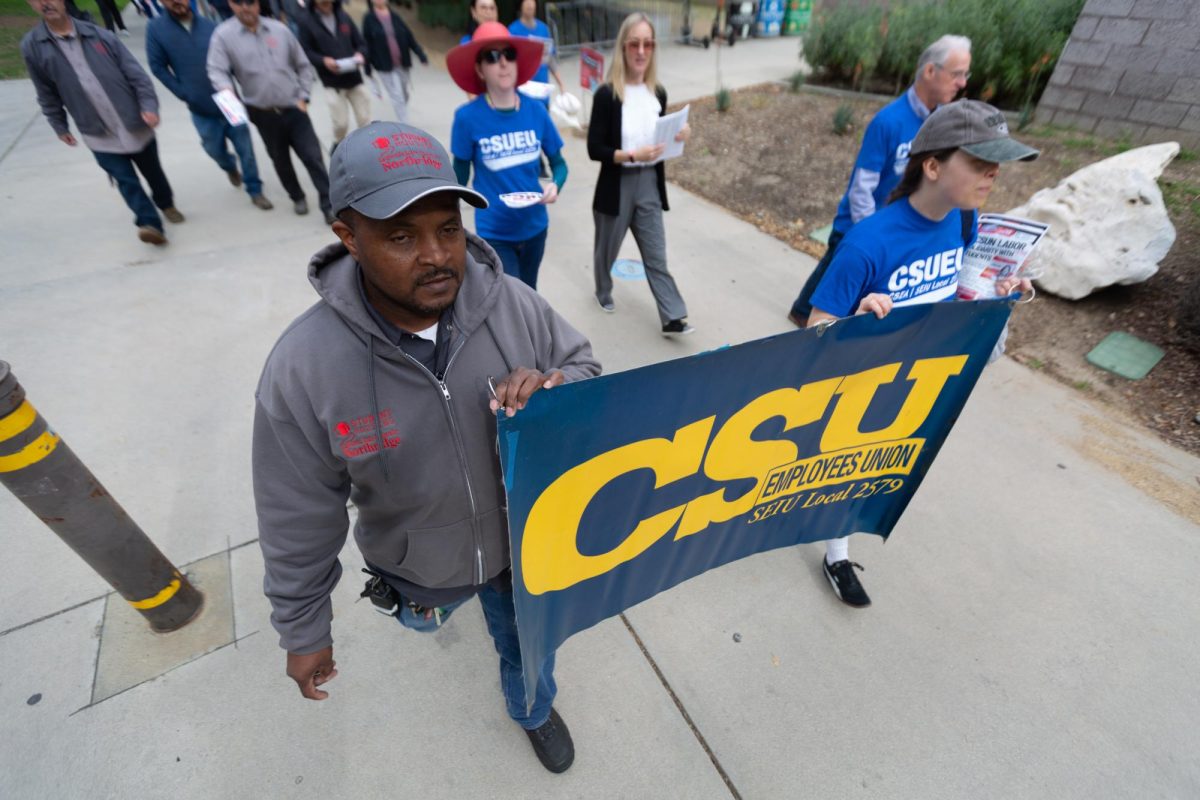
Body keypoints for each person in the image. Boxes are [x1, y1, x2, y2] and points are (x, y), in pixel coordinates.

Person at [252, 120, 600, 774]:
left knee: (526, 646)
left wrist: (554, 386)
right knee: (427, 618)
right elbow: (295, 514)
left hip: (521, 551)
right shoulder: (304, 370)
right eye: (402, 237)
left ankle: (531, 707)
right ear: (348, 238)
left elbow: (584, 364)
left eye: (448, 229)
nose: (437, 255)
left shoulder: (511, 305)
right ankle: (435, 607)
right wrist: (303, 630)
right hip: (421, 571)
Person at [805, 99, 1038, 608]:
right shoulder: (867, 244)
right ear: (932, 166)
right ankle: (836, 553)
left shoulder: (963, 220)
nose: (993, 172)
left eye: (996, 162)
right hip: (862, 381)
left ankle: (838, 541)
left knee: (881, 463)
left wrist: (996, 291)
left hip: (919, 375)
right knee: (849, 464)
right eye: (979, 161)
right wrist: (857, 318)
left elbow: (954, 285)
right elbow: (814, 330)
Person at [788, 34, 973, 327]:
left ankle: (806, 310)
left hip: (895, 234)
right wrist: (869, 233)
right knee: (833, 286)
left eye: (966, 74)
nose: (963, 82)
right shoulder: (889, 122)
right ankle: (802, 313)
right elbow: (862, 185)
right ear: (929, 71)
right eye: (957, 74)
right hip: (864, 228)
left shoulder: (940, 125)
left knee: (841, 286)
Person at [22, 0, 185, 246]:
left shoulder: (100, 35)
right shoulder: (33, 47)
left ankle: (166, 203)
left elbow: (137, 76)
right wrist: (59, 125)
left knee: (153, 173)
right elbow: (45, 92)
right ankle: (149, 223)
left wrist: (149, 107)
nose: (46, 2)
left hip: (134, 121)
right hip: (97, 131)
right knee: (126, 181)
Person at [587, 12, 692, 336]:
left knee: (656, 253)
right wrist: (631, 154)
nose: (642, 51)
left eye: (648, 43)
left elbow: (658, 137)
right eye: (635, 43)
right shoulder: (607, 94)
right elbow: (595, 149)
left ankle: (673, 316)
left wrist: (678, 134)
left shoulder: (656, 93)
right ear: (624, 47)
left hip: (649, 183)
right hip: (616, 183)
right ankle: (603, 290)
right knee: (607, 250)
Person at [448, 22, 565, 290]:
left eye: (508, 55)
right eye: (492, 56)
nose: (502, 63)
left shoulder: (536, 111)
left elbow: (559, 165)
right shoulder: (467, 119)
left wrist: (555, 185)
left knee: (530, 292)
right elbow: (459, 178)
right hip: (495, 233)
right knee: (510, 298)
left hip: (536, 227)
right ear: (480, 69)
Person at [208, 0, 336, 223]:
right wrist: (227, 91)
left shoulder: (280, 30)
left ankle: (328, 205)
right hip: (262, 111)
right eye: (239, 3)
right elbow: (216, 70)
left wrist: (304, 96)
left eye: (250, 2)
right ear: (231, 4)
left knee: (313, 156)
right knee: (280, 159)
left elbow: (303, 65)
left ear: (258, 3)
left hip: (294, 108)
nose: (245, 7)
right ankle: (297, 196)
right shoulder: (223, 35)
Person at [147, 0, 273, 210]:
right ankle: (230, 166)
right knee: (213, 149)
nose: (178, 2)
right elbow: (157, 66)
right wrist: (183, 92)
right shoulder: (156, 29)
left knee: (246, 150)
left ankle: (255, 189)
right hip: (199, 106)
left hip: (228, 102)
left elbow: (234, 61)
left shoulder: (211, 27)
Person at [296, 0, 371, 147]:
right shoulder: (306, 21)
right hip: (332, 82)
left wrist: (361, 55)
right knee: (341, 125)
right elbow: (305, 51)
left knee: (366, 121)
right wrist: (323, 61)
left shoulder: (343, 16)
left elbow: (361, 43)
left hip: (354, 78)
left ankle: (369, 151)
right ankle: (338, 149)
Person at [361, 0, 427, 124]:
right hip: (383, 65)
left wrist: (421, 55)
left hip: (402, 62)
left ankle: (402, 112)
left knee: (404, 94)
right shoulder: (369, 19)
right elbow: (366, 44)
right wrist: (367, 67)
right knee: (397, 96)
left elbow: (409, 37)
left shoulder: (395, 16)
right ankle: (405, 124)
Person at [508, 0, 564, 97]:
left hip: (543, 88)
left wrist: (561, 83)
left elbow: (550, 59)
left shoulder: (544, 29)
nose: (530, 4)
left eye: (532, 1)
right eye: (526, 1)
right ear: (520, 5)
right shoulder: (512, 30)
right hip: (522, 91)